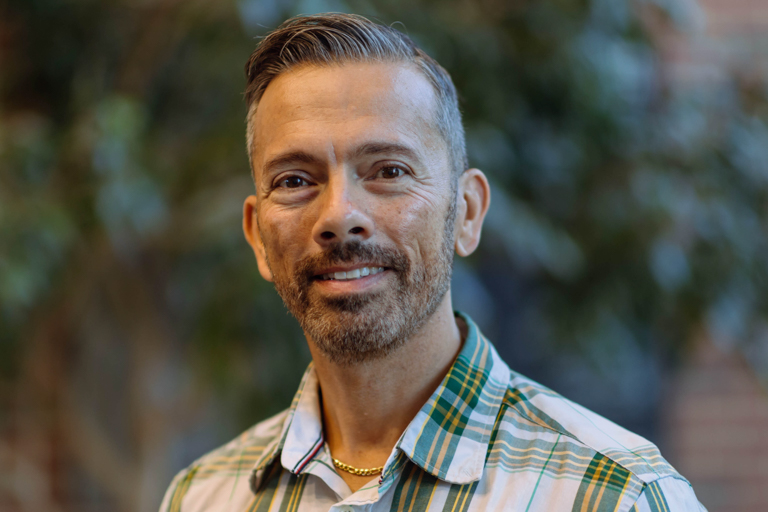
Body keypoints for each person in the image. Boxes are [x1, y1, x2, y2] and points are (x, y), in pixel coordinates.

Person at [159, 13, 706, 512]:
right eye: (295, 181)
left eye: (389, 171)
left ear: (466, 212)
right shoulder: (204, 496)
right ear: (257, 236)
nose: (340, 215)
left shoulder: (618, 495)